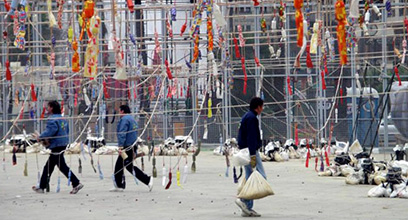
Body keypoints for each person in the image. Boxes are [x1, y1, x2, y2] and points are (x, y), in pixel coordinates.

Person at [32, 101, 84, 194]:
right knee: (49, 166)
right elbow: (66, 130)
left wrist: (40, 137)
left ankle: (76, 183)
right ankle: (42, 186)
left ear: (51, 108)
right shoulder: (63, 118)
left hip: (56, 145)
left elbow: (50, 131)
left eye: (48, 107)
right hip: (63, 143)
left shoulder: (52, 119)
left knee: (61, 166)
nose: (47, 109)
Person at [110, 104, 153, 192]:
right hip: (132, 145)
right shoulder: (132, 119)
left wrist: (121, 146)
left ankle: (147, 180)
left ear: (122, 111)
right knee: (120, 166)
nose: (119, 113)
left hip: (126, 147)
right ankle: (119, 185)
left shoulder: (124, 119)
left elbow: (122, 133)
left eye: (119, 111)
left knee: (127, 167)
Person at [235, 97, 266, 217]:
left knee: (250, 178)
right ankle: (244, 201)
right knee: (261, 177)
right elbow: (251, 138)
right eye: (262, 107)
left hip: (244, 150)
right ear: (257, 107)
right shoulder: (252, 118)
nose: (262, 109)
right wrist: (253, 154)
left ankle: (247, 208)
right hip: (250, 151)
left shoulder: (246, 116)